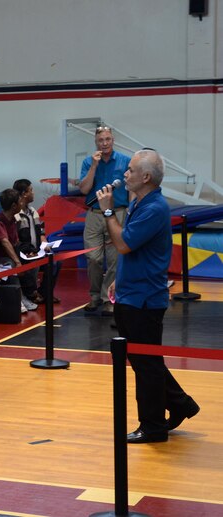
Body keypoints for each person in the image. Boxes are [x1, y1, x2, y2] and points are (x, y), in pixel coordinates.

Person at [96, 148, 199, 444]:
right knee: (144, 362)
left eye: (130, 170)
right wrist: (118, 278)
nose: (124, 174)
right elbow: (134, 251)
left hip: (143, 300)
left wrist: (106, 211)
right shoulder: (140, 202)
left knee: (147, 365)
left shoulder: (154, 208)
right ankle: (181, 404)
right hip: (131, 293)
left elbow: (124, 244)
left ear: (146, 176)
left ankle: (152, 426)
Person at [79, 126, 130, 316]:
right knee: (93, 257)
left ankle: (108, 298)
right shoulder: (88, 162)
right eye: (101, 140)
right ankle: (93, 296)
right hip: (94, 213)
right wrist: (93, 166)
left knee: (115, 258)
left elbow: (131, 187)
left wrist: (131, 210)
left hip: (117, 212)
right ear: (96, 142)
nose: (105, 143)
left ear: (113, 140)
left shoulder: (125, 161)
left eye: (108, 139)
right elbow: (84, 189)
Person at [0, 189, 37, 312]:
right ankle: (19, 298)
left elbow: (16, 243)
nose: (22, 203)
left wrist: (28, 252)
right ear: (14, 206)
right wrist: (17, 262)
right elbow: (5, 243)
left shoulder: (13, 221)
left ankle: (31, 293)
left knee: (34, 261)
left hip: (11, 254)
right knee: (11, 265)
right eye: (20, 201)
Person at [13, 179, 60, 304]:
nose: (33, 193)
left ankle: (45, 293)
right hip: (24, 252)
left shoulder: (33, 211)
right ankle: (30, 293)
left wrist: (44, 244)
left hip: (36, 250)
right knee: (35, 263)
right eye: (31, 190)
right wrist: (29, 251)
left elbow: (40, 231)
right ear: (24, 193)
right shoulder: (16, 215)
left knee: (55, 262)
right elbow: (16, 239)